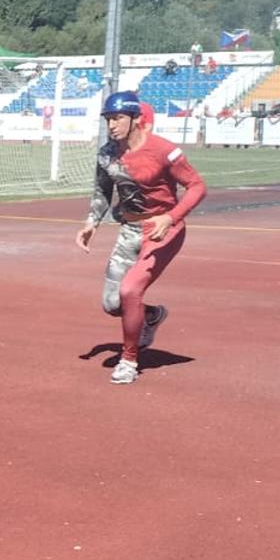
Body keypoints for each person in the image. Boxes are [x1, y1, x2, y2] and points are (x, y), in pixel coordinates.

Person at [75, 91, 208, 385]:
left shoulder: (164, 151)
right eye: (109, 119)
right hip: (129, 231)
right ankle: (151, 316)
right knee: (112, 304)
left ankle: (129, 360)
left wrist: (170, 217)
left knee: (130, 290)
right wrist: (91, 222)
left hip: (164, 231)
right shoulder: (107, 153)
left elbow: (197, 186)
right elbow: (101, 191)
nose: (112, 125)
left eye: (118, 118)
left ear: (136, 119)